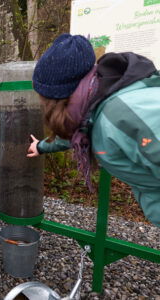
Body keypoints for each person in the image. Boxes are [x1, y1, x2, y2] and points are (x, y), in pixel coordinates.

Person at [27, 33, 160, 227]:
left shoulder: (122, 114)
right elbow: (77, 133)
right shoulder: (95, 106)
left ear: (56, 97)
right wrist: (41, 146)